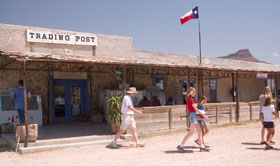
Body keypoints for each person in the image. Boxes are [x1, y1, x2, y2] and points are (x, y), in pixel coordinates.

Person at [177, 87, 209, 152]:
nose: (195, 94)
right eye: (194, 92)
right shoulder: (191, 100)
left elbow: (195, 110)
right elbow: (196, 109)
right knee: (191, 133)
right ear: (192, 92)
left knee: (199, 131)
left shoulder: (189, 99)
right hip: (193, 116)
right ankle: (181, 145)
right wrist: (204, 115)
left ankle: (202, 146)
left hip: (193, 115)